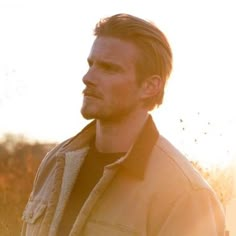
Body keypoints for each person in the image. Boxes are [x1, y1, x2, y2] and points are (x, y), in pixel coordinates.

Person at [21, 13, 225, 236]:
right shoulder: (56, 162)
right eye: (91, 64)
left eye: (109, 68)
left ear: (149, 86)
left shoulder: (185, 195)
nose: (88, 77)